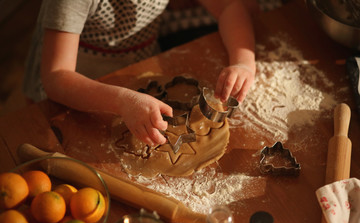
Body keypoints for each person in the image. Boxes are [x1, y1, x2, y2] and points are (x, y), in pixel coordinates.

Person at [23, 0, 256, 147]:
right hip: (79, 86)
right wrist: (121, 100)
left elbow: (229, 6)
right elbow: (56, 77)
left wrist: (244, 62)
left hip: (137, 64)